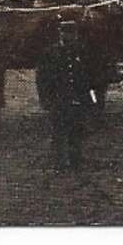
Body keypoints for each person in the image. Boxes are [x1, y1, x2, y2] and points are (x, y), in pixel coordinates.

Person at [35, 22, 94, 172]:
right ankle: (58, 163)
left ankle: (75, 162)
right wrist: (46, 100)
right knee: (58, 134)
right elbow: (42, 79)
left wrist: (88, 100)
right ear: (60, 34)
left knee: (76, 133)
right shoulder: (50, 53)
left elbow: (88, 79)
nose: (69, 36)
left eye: (72, 33)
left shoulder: (81, 52)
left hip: (78, 101)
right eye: (65, 33)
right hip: (58, 101)